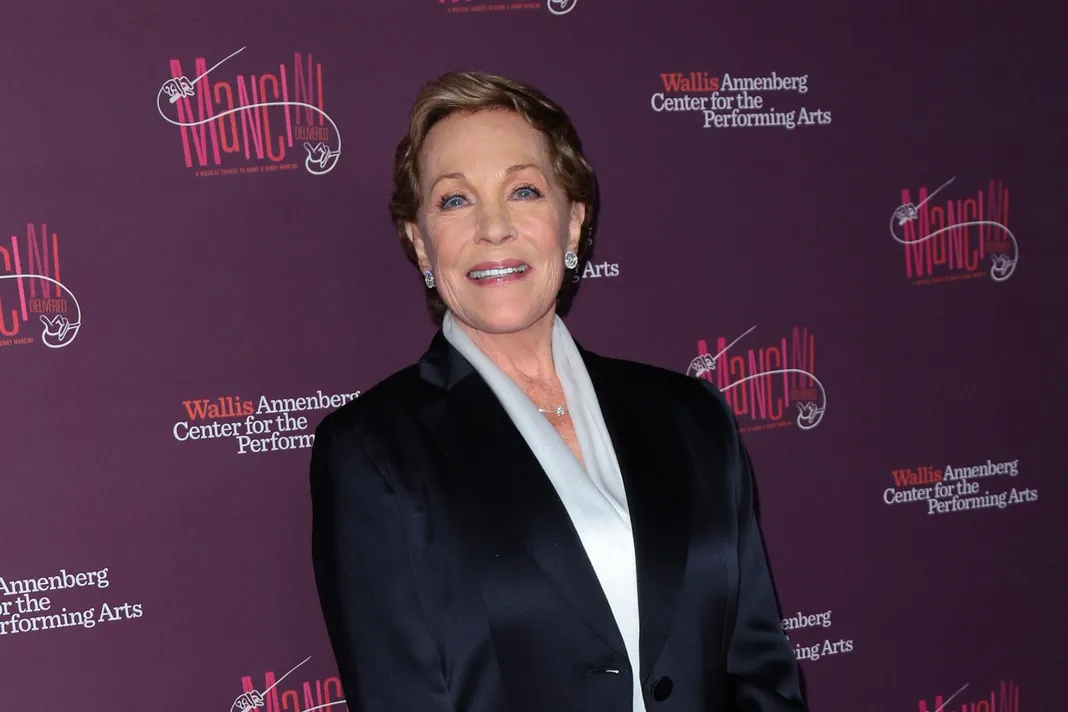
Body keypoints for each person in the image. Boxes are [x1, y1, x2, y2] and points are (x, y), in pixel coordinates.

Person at [309, 70, 807, 712]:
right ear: (420, 243)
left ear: (572, 223)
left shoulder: (691, 417)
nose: (494, 227)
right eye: (455, 200)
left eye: (523, 190)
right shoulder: (373, 452)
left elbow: (758, 668)